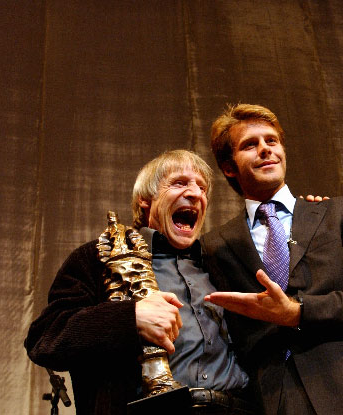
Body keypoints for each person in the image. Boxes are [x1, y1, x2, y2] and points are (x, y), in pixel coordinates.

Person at [202, 104, 343, 414]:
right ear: (229, 167)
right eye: (250, 145)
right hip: (278, 401)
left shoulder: (340, 213)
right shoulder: (214, 246)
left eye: (272, 141)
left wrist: (298, 312)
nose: (265, 149)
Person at [24, 150, 253, 415]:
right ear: (145, 199)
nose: (195, 193)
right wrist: (130, 318)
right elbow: (45, 339)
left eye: (202, 188)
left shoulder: (220, 263)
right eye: (179, 183)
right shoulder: (98, 258)